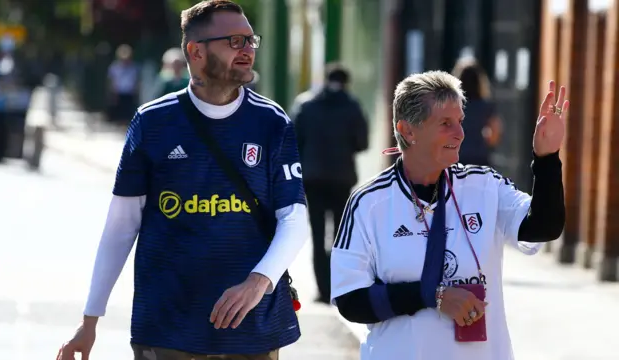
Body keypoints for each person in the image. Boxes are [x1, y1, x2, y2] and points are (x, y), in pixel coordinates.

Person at [57, 1, 308, 359]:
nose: (248, 50)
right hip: (166, 330)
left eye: (252, 41)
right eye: (235, 41)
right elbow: (120, 227)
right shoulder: (152, 123)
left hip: (251, 330)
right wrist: (90, 319)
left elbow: (295, 219)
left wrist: (258, 282)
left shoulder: (272, 123)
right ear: (196, 51)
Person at [330, 70, 567, 360]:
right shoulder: (368, 203)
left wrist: (547, 159)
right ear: (407, 131)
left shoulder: (485, 186)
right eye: (445, 123)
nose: (460, 133)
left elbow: (542, 228)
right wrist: (433, 297)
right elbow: (350, 300)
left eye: (460, 122)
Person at [291, 63, 368, 303]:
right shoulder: (353, 107)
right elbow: (362, 143)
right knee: (339, 236)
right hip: (341, 178)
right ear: (346, 82)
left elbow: (293, 139)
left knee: (317, 234)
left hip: (312, 178)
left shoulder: (305, 104)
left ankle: (322, 290)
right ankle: (338, 287)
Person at [452, 57, 503, 166]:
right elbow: (495, 133)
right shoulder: (487, 106)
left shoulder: (452, 106)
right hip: (479, 159)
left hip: (456, 158)